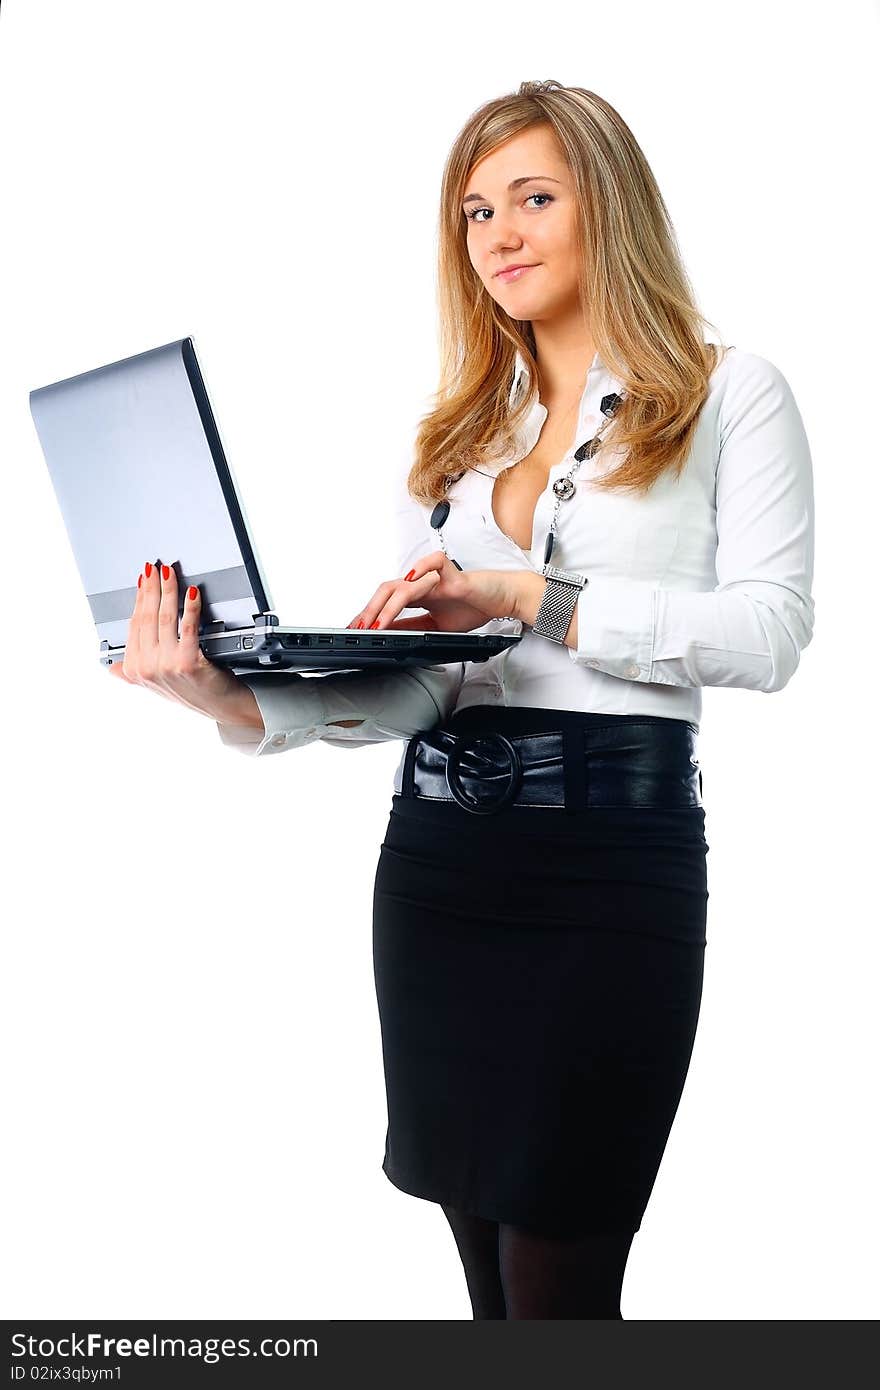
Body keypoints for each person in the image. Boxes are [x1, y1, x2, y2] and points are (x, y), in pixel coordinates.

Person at [111, 81, 815, 1319]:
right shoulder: (454, 442)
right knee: (485, 1280)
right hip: (438, 866)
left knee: (560, 1283)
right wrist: (228, 695)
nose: (498, 233)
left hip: (609, 867)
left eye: (535, 198)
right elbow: (425, 697)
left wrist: (526, 594)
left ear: (611, 209)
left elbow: (768, 636)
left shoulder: (727, 391)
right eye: (476, 209)